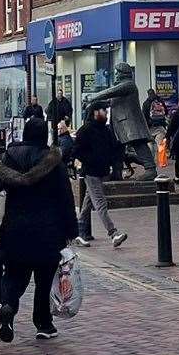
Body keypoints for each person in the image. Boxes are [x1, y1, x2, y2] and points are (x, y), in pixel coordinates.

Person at [0, 117, 78, 342]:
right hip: (48, 230)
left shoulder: (7, 159)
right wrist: (71, 230)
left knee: (12, 275)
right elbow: (65, 198)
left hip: (14, 229)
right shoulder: (53, 161)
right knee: (44, 278)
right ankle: (43, 323)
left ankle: (8, 307)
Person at [72, 103, 128, 248]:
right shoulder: (85, 130)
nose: (106, 113)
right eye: (104, 111)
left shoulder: (105, 130)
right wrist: (90, 160)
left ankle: (76, 233)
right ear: (95, 112)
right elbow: (76, 151)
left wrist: (114, 158)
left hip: (102, 171)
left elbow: (113, 147)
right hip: (90, 172)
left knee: (87, 203)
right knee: (100, 202)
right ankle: (113, 234)